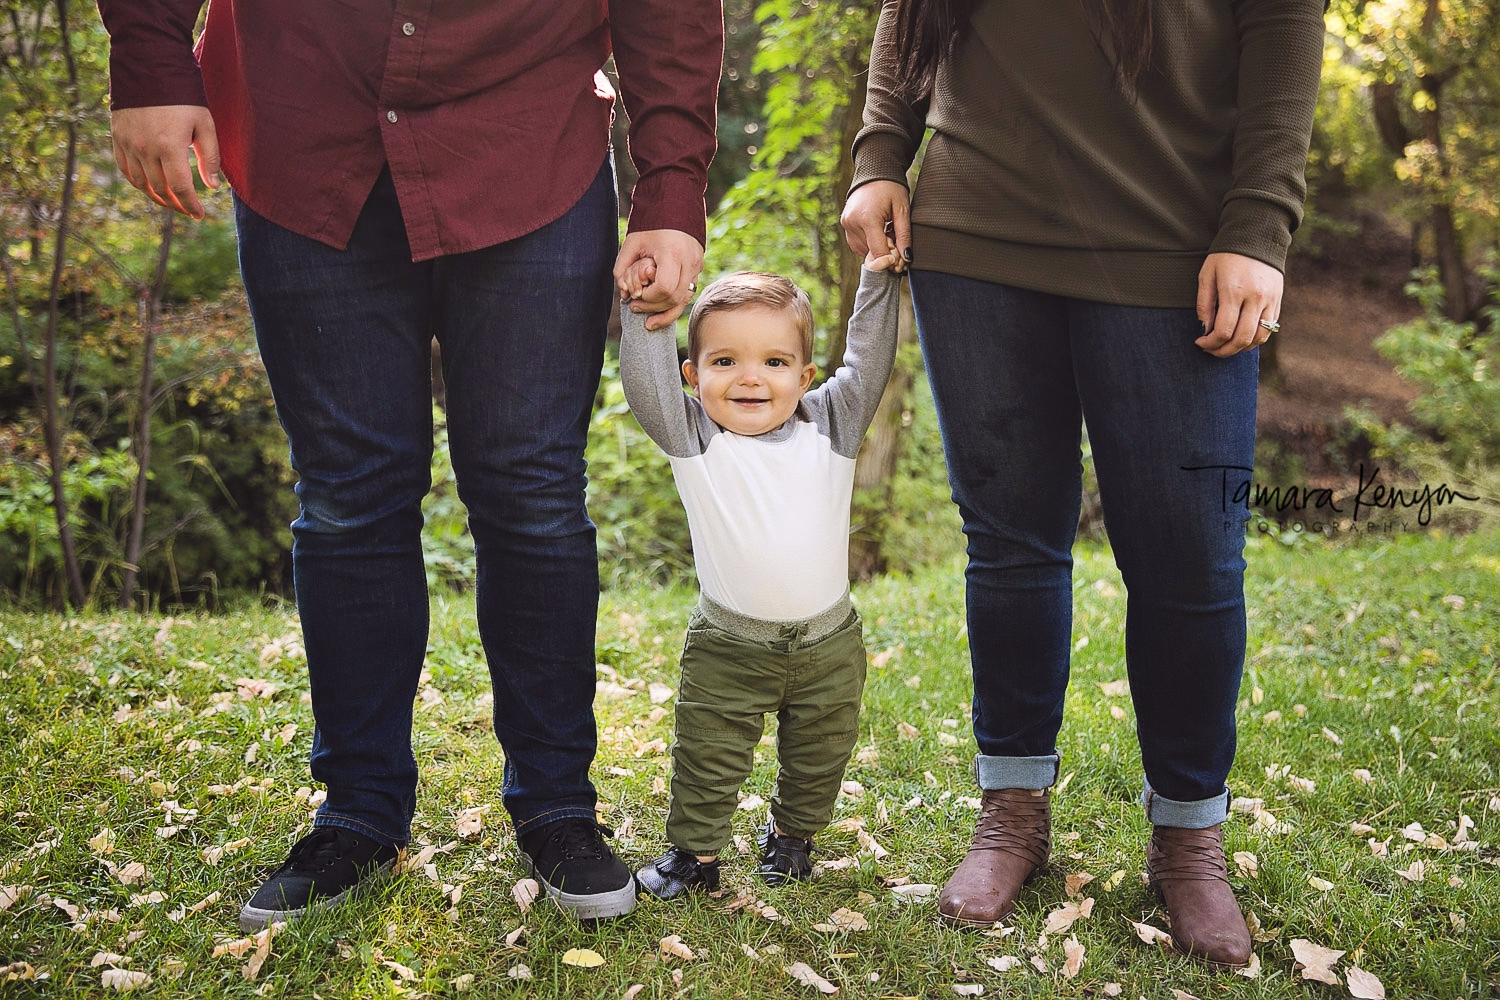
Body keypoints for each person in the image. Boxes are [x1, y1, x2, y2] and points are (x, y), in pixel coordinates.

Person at [97, 1, 723, 926]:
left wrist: (670, 192)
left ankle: (558, 805)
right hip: (304, 128)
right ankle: (358, 813)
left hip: (526, 142)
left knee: (533, 494)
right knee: (349, 496)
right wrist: (150, 62)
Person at [840, 0, 1324, 968]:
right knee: (1010, 541)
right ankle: (1011, 809)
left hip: (1178, 242)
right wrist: (880, 154)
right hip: (977, 231)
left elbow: (1284, 24)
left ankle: (1189, 834)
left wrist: (1260, 224)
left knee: (1190, 554)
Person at [616, 248, 903, 899]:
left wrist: (881, 270)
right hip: (728, 648)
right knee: (707, 756)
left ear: (804, 377)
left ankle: (793, 840)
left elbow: (868, 358)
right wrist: (646, 302)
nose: (750, 379)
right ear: (692, 374)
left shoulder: (832, 424)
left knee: (819, 757)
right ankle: (695, 856)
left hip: (830, 646)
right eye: (725, 362)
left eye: (773, 362)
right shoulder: (693, 435)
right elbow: (644, 380)